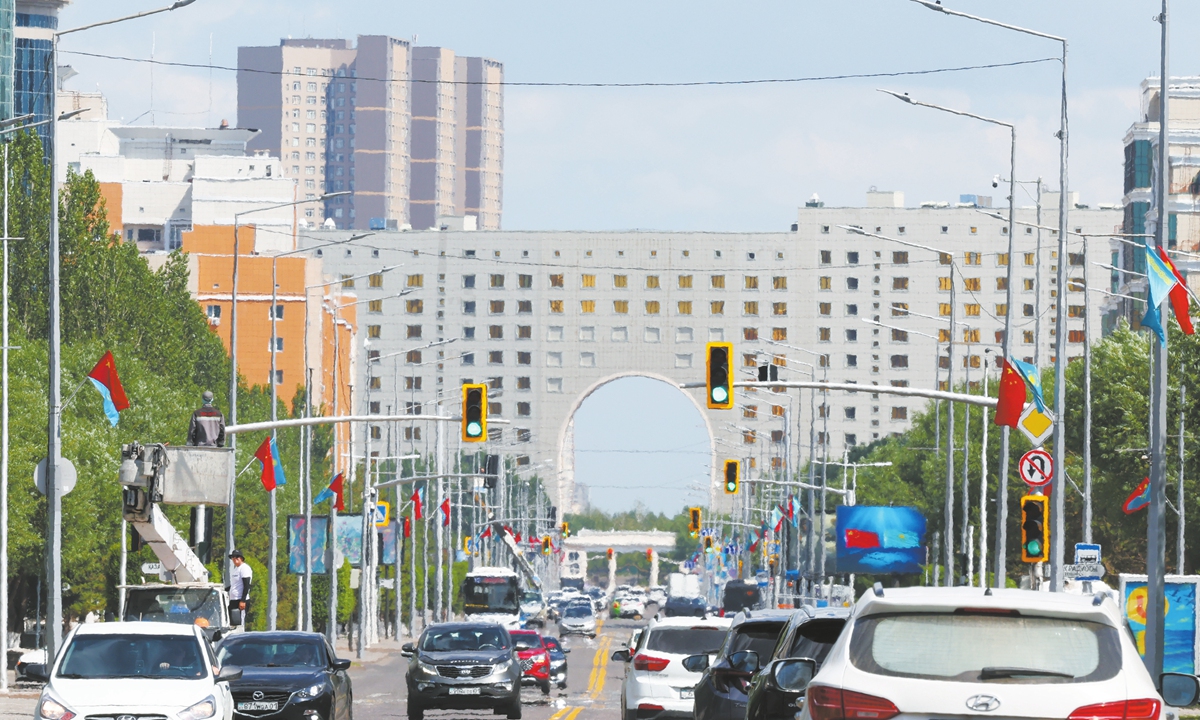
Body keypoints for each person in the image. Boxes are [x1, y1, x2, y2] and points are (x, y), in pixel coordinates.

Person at [228, 550, 252, 626]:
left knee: (239, 622)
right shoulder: (236, 569)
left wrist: (243, 600)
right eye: (233, 557)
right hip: (233, 599)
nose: (235, 558)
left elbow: (246, 585)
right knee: (232, 622)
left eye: (237, 557)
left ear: (241, 558)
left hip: (240, 600)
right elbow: (235, 585)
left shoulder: (244, 568)